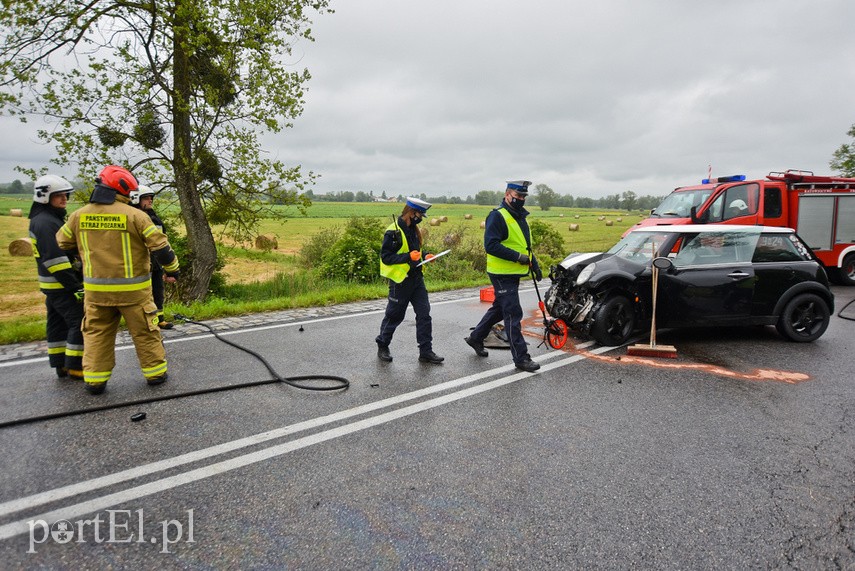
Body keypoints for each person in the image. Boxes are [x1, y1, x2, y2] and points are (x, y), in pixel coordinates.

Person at [57, 165, 180, 395]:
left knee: (96, 334)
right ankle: (155, 374)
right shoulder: (136, 216)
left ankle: (95, 380)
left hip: (96, 293)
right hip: (134, 293)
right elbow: (161, 248)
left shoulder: (79, 215)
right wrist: (173, 270)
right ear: (122, 191)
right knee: (145, 332)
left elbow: (62, 243)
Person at [465, 180, 542, 372]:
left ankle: (476, 338)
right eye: (518, 196)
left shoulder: (519, 216)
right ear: (508, 194)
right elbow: (491, 246)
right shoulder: (497, 216)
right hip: (501, 273)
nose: (521, 199)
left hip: (513, 272)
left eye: (524, 196)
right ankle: (521, 358)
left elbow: (523, 246)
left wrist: (535, 264)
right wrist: (518, 257)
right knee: (513, 313)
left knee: (500, 309)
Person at [28, 175, 85, 381]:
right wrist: (75, 286)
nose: (64, 200)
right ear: (45, 197)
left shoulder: (45, 219)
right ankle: (76, 367)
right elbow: (56, 260)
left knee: (57, 324)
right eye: (58, 196)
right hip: (61, 285)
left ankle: (60, 364)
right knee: (79, 322)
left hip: (52, 286)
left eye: (65, 195)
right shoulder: (46, 223)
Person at [375, 197, 444, 364]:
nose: (420, 218)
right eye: (419, 215)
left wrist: (426, 255)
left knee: (424, 315)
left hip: (416, 279)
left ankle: (426, 352)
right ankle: (383, 345)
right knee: (394, 316)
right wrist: (407, 257)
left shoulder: (414, 229)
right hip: (400, 281)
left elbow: (416, 252)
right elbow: (386, 257)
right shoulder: (393, 231)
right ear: (411, 213)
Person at [131, 185, 172, 329]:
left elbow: (162, 241)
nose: (150, 201)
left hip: (155, 263)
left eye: (151, 198)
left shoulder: (154, 218)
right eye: (146, 198)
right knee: (144, 296)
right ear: (136, 199)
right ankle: (145, 323)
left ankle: (159, 319)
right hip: (141, 264)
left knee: (157, 293)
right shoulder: (134, 217)